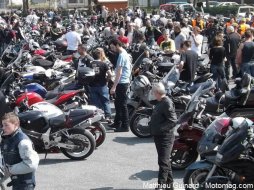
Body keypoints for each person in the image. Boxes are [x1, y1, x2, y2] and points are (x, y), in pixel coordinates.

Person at [149, 82, 177, 190]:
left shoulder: (167, 103)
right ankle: (170, 185)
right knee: (165, 161)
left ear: (157, 92)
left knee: (163, 162)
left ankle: (161, 185)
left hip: (165, 137)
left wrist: (160, 129)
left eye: (153, 92)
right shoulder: (160, 101)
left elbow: (173, 120)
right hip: (159, 136)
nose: (152, 94)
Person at [1, 112, 39, 190]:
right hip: (17, 182)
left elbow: (31, 164)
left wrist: (10, 169)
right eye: (3, 125)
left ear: (16, 124)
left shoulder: (23, 142)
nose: (3, 128)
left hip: (25, 185)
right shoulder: (8, 139)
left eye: (6, 125)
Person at [108, 39, 132, 132]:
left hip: (122, 83)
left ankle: (125, 126)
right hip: (122, 82)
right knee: (117, 104)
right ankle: (117, 122)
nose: (112, 49)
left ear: (117, 45)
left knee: (122, 105)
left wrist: (114, 86)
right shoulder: (123, 53)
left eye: (113, 47)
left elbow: (119, 73)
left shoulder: (122, 55)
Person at [88, 49, 112, 120]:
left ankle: (98, 116)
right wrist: (107, 80)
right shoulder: (104, 64)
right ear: (100, 55)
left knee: (95, 102)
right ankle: (108, 116)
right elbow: (110, 74)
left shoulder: (90, 64)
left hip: (92, 85)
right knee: (105, 101)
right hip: (102, 85)